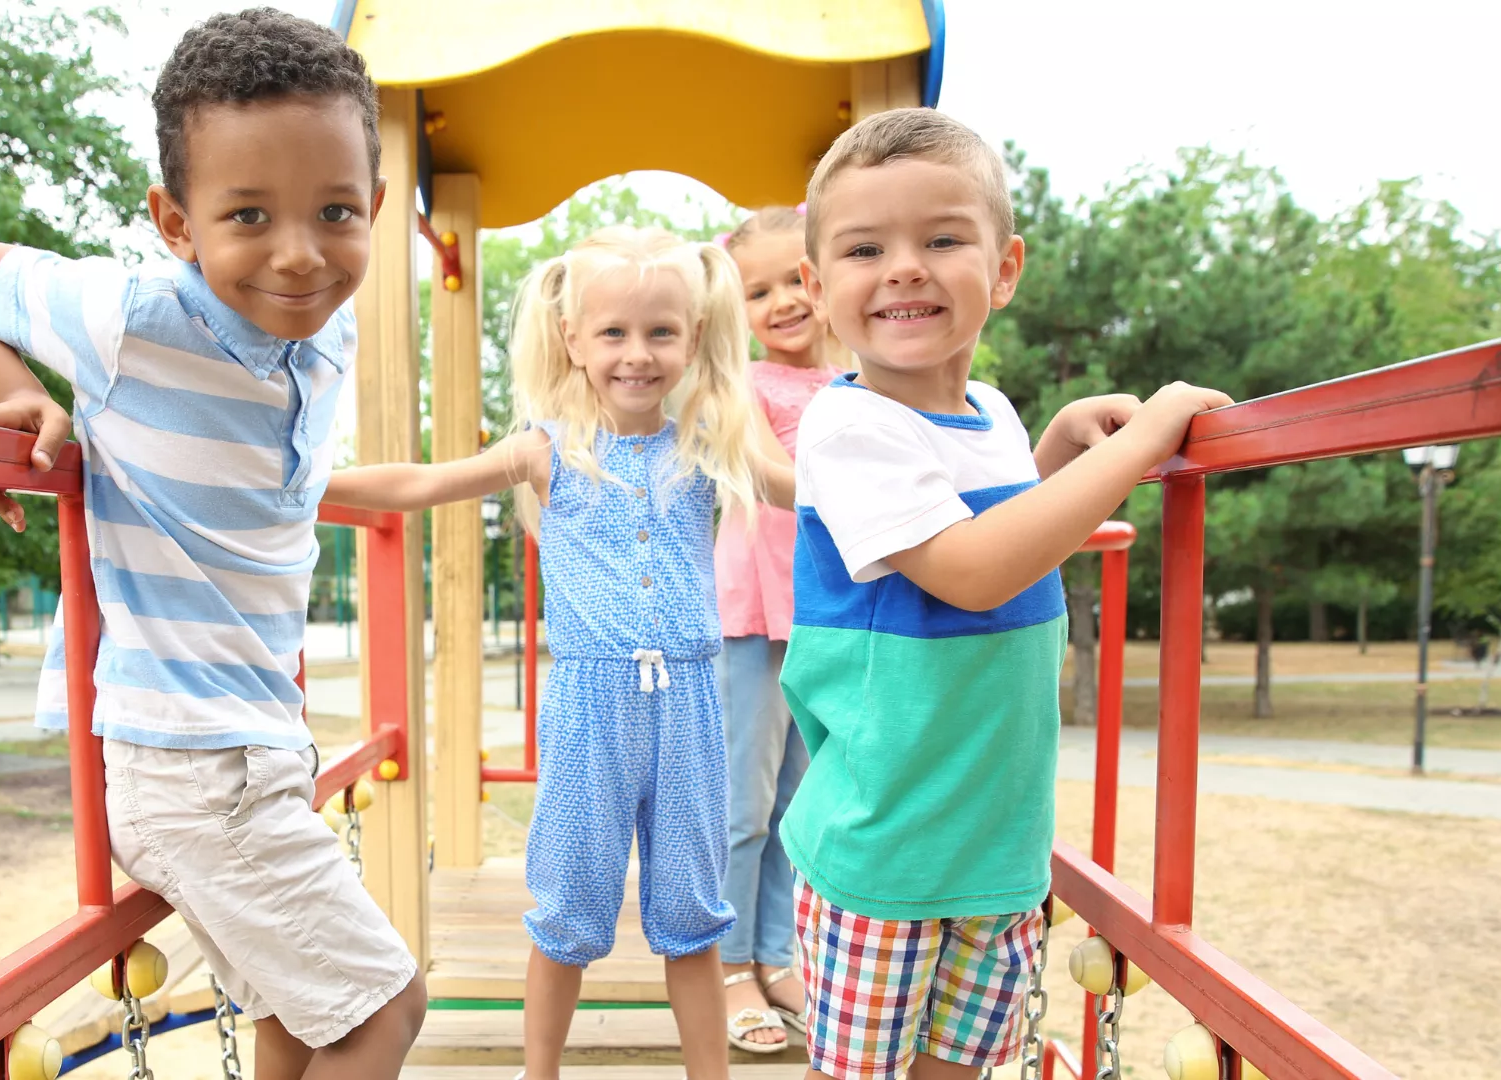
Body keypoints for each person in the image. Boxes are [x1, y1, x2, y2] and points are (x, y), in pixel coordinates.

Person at [0, 11, 427, 1079]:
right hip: (187, 759)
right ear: (176, 221)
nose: (297, 254)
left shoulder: (325, 325)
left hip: (256, 744)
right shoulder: (129, 315)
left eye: (335, 212)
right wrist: (16, 397)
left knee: (307, 1012)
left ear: (373, 209)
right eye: (248, 215)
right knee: (385, 1010)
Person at [781, 107, 1233, 1080]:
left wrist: (1056, 446)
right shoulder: (846, 425)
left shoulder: (989, 411)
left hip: (995, 841)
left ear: (1006, 267)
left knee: (962, 1067)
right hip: (885, 842)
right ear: (819, 290)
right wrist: (1140, 443)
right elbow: (972, 569)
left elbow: (991, 532)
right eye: (866, 248)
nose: (905, 267)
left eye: (942, 239)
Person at [325, 226, 794, 1080]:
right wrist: (301, 487)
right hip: (589, 709)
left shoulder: (708, 436)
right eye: (613, 333)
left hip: (689, 701)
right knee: (570, 904)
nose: (637, 354)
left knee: (691, 909)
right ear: (573, 338)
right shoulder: (549, 449)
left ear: (693, 336)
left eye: (661, 332)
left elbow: (803, 488)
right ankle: (536, 1073)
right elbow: (425, 483)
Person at [712, 205, 836, 1052]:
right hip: (755, 609)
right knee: (743, 802)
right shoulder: (743, 386)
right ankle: (727, 966)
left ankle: (775, 950)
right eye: (761, 290)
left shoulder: (857, 385)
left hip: (824, 610)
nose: (785, 300)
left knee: (801, 799)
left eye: (799, 278)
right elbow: (763, 470)